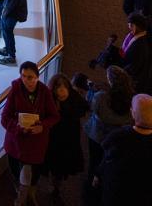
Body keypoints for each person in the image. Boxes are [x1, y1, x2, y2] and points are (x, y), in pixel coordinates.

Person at [0, 60, 58, 205]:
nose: (26, 80)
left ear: (37, 77)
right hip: (16, 142)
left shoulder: (45, 92)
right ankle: (21, 193)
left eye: (30, 77)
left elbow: (54, 116)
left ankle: (28, 195)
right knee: (15, 170)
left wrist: (42, 126)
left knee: (34, 174)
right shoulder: (15, 90)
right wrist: (18, 128)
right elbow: (5, 118)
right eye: (23, 76)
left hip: (36, 144)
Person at [84, 65, 134, 193]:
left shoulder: (101, 97)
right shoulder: (131, 100)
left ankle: (90, 190)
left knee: (94, 162)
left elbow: (91, 108)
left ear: (111, 81)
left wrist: (91, 92)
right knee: (108, 162)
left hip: (97, 136)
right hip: (116, 137)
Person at [98, 93, 152, 204]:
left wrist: (98, 174)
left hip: (117, 191)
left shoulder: (118, 135)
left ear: (133, 113)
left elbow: (106, 154)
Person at [43, 72, 87, 198]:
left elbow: (83, 109)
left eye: (64, 87)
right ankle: (54, 184)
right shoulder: (49, 101)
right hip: (53, 141)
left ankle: (56, 186)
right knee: (53, 165)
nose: (62, 91)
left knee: (61, 168)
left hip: (68, 141)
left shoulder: (75, 100)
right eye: (58, 87)